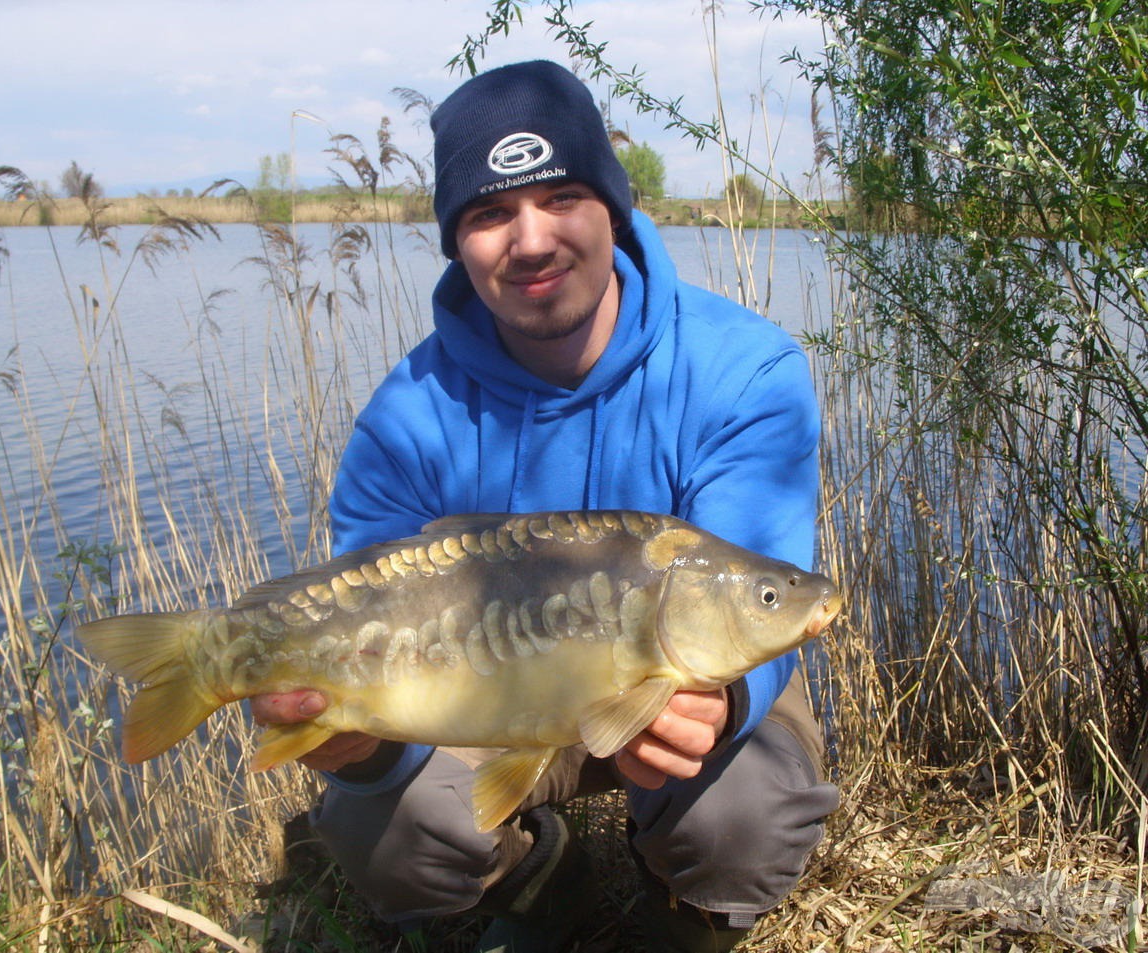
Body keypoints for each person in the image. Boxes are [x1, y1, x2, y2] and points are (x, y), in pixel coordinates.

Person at [252, 59, 839, 952]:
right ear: (457, 243)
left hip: (672, 680)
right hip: (483, 706)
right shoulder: (404, 421)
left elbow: (756, 587)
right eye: (490, 213)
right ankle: (534, 880)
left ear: (616, 207)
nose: (531, 240)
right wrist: (353, 743)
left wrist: (721, 707)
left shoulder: (743, 371)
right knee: (386, 834)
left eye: (561, 196)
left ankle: (678, 906)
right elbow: (373, 646)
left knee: (742, 809)